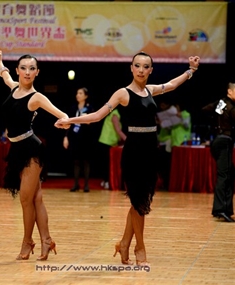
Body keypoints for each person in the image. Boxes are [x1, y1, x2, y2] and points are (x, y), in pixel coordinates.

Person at [55, 51, 200, 266]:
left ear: (151, 70)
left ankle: (124, 243)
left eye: (146, 66)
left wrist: (191, 71)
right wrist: (69, 120)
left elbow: (171, 84)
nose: (141, 70)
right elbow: (96, 116)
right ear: (131, 68)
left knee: (141, 201)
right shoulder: (122, 94)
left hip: (151, 149)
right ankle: (139, 248)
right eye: (137, 65)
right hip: (134, 150)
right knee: (138, 201)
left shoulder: (150, 91)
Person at [0, 50, 70, 260]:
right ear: (18, 70)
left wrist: (63, 121)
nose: (27, 72)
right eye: (24, 68)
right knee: (36, 198)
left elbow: (61, 114)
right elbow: (5, 76)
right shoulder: (14, 87)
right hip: (16, 149)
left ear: (37, 72)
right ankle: (46, 240)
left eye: (32, 69)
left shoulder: (37, 97)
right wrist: (0, 62)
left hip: (31, 149)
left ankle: (28, 242)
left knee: (26, 199)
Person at [201, 82, 235, 223]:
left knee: (227, 174)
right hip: (224, 141)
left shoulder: (219, 103)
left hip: (217, 141)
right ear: (230, 91)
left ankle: (223, 209)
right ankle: (221, 209)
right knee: (225, 176)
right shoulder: (231, 107)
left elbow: (205, 109)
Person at [63, 87, 94, 192]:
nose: (78, 95)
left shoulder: (89, 108)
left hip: (85, 138)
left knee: (86, 161)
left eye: (80, 93)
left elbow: (92, 122)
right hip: (74, 138)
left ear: (86, 96)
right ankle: (75, 184)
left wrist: (87, 118)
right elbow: (69, 124)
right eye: (77, 93)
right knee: (75, 161)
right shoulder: (73, 108)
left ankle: (86, 185)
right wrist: (66, 137)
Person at [98, 107, 126, 189]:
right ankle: (106, 181)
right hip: (106, 141)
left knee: (107, 163)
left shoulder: (116, 113)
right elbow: (118, 130)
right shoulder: (115, 114)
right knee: (106, 164)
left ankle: (105, 181)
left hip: (111, 142)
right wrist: (127, 140)